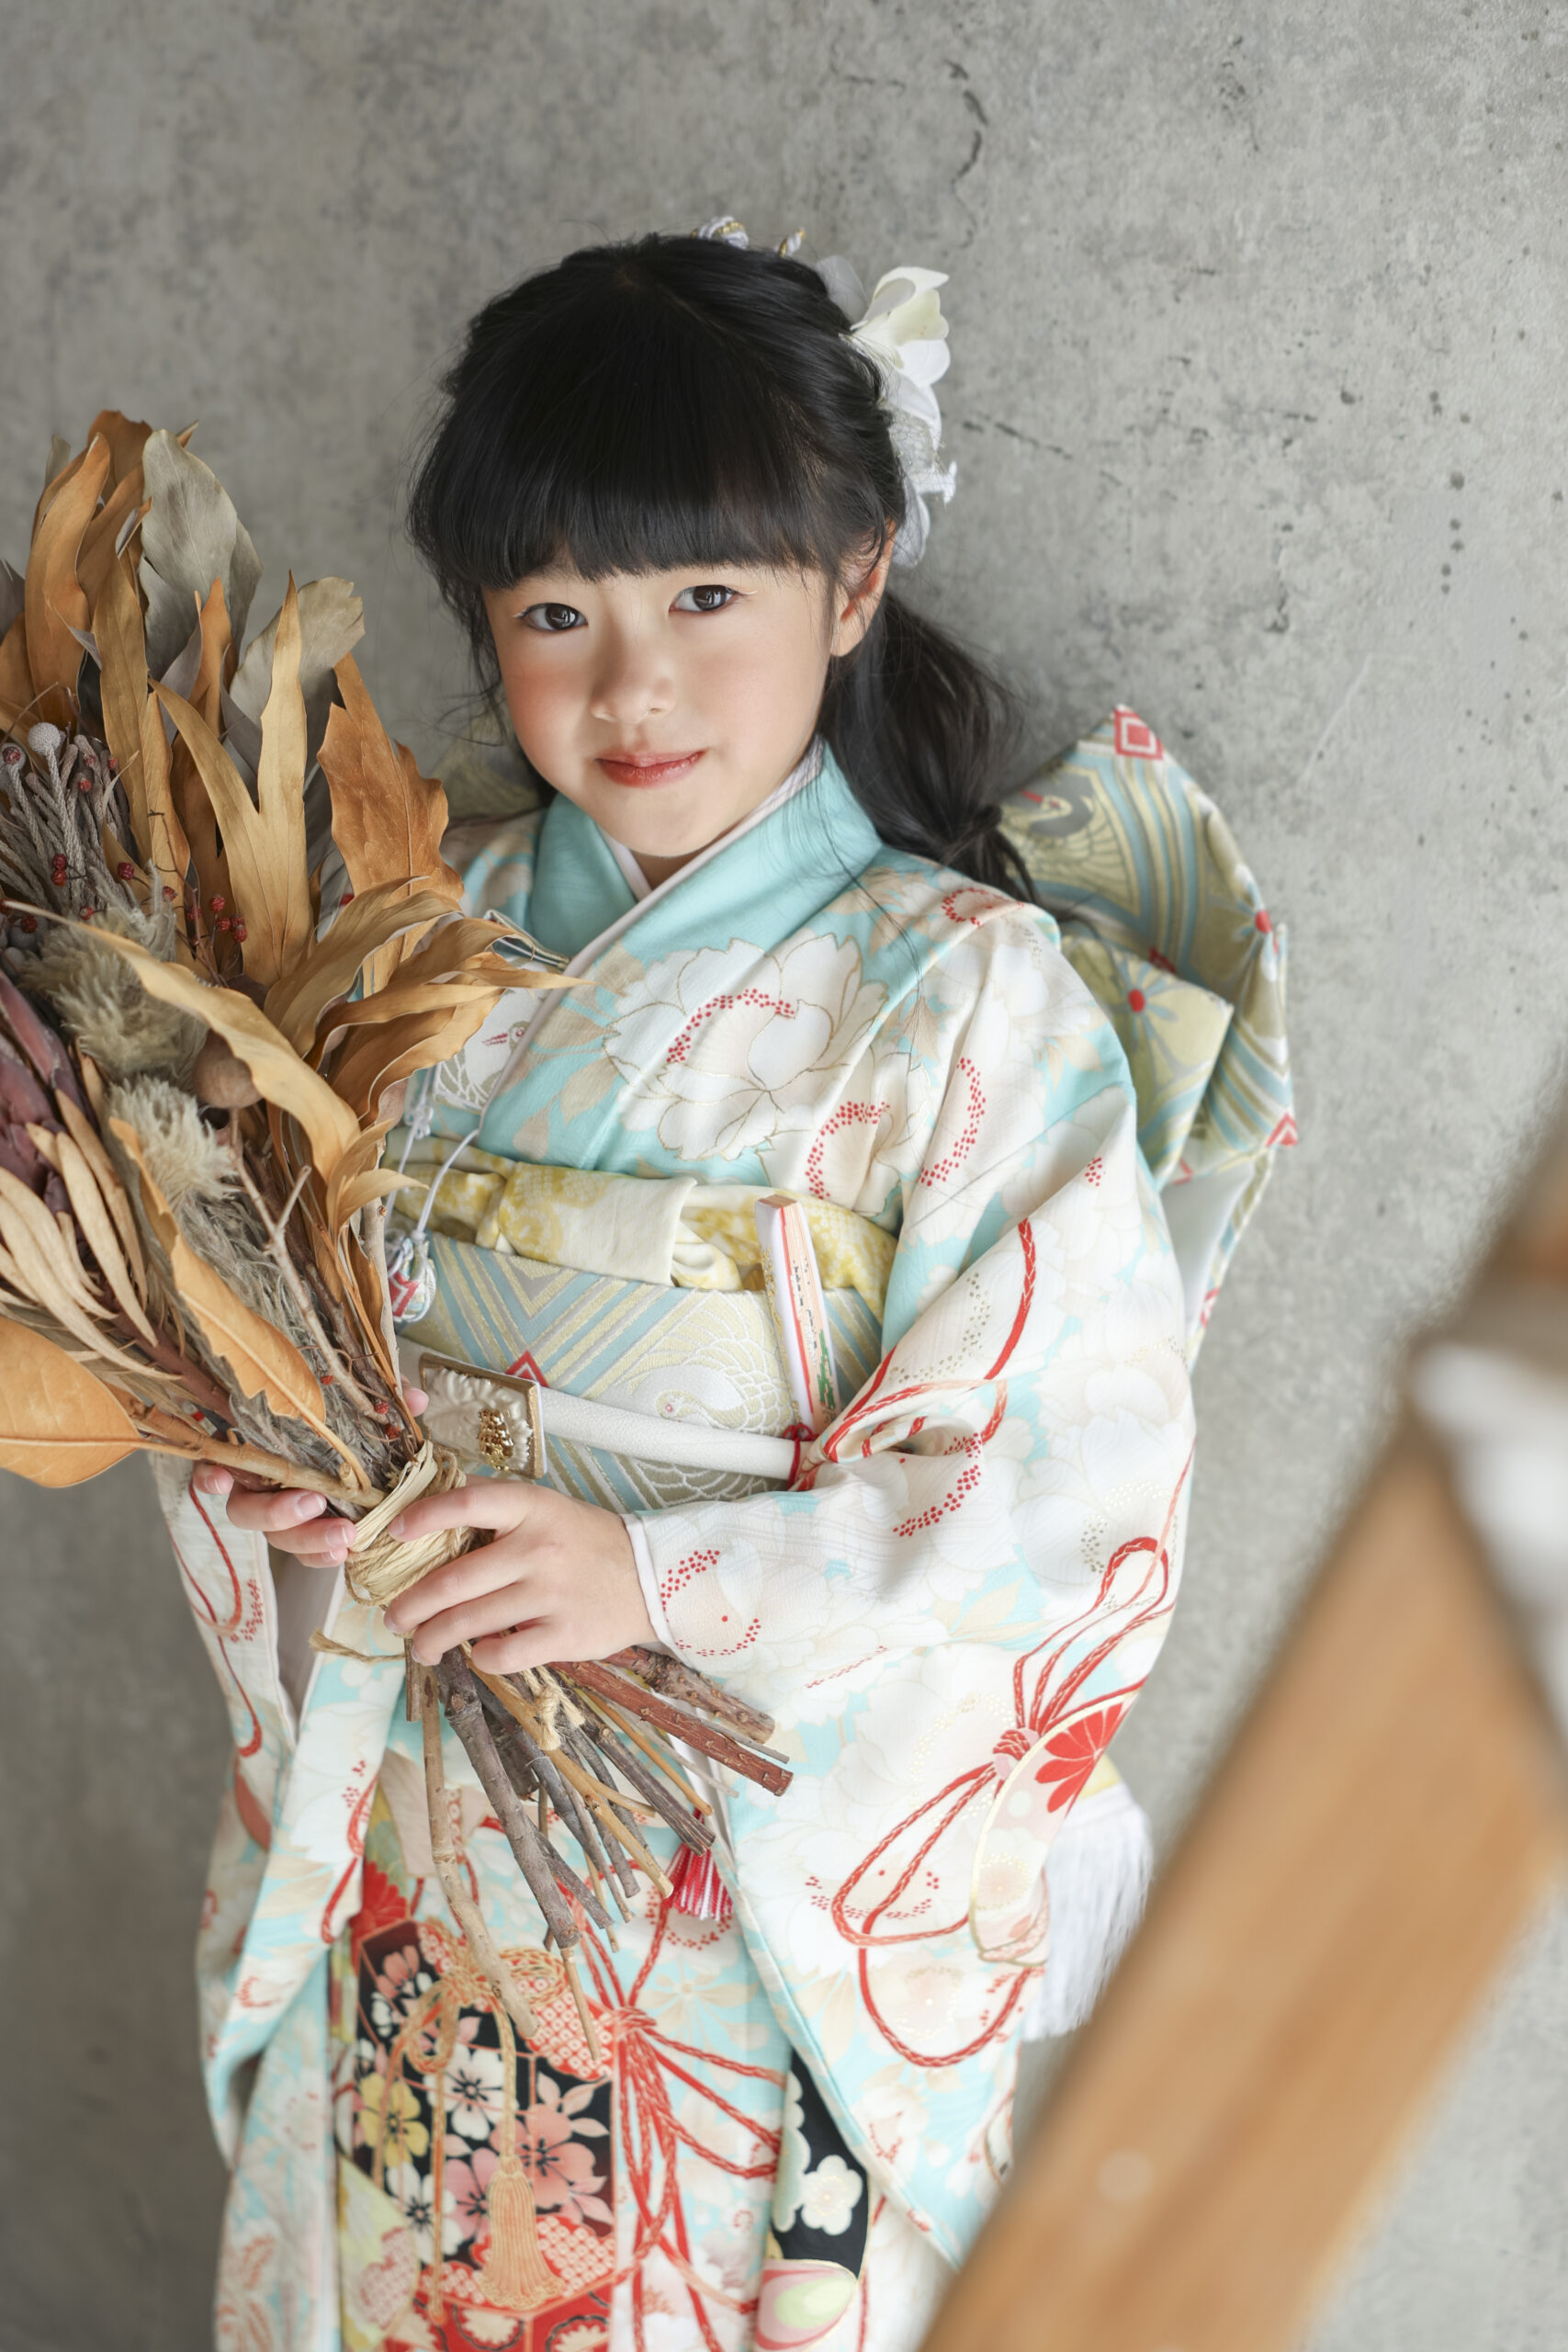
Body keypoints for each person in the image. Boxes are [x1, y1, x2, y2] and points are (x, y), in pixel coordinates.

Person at [174, 224, 1203, 2352]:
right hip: (426, 1824)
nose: (630, 687)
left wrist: (655, 1577)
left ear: (855, 577)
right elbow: (289, 1306)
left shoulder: (963, 996)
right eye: (555, 613)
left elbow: (1064, 1492)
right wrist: (286, 1477)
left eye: (705, 598)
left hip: (737, 1883)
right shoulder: (400, 942)